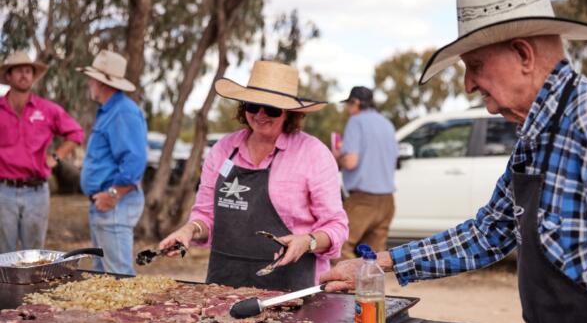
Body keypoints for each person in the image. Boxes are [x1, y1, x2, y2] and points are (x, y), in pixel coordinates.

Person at [320, 0, 587, 323]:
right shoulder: (531, 140)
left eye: (475, 65)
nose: (468, 84)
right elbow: (487, 234)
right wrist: (378, 264)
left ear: (523, 54)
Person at [159, 60, 349, 290]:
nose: (260, 115)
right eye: (252, 105)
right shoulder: (223, 149)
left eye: (271, 109)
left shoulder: (313, 154)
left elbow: (336, 226)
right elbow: (206, 216)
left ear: (289, 113)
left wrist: (307, 242)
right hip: (225, 285)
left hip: (291, 286)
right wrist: (190, 230)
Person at [0, 51, 84, 253]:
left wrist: (56, 157)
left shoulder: (48, 110)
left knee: (34, 254)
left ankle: (33, 285)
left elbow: (76, 133)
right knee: (3, 254)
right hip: (4, 191)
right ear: (8, 77)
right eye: (19, 71)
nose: (24, 75)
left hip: (36, 193)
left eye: (29, 71)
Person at [78, 50, 147, 275]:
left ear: (102, 82)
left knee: (118, 276)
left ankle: (129, 312)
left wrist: (113, 194)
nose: (89, 83)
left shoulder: (122, 112)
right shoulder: (112, 110)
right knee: (104, 275)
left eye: (92, 78)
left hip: (114, 203)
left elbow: (135, 160)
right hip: (106, 204)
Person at [333, 86, 397, 260]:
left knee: (338, 245)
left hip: (363, 201)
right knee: (372, 258)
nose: (348, 110)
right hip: (387, 201)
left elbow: (351, 162)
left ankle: (351, 286)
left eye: (349, 105)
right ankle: (368, 287)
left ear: (356, 103)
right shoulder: (387, 124)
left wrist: (337, 158)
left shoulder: (356, 121)